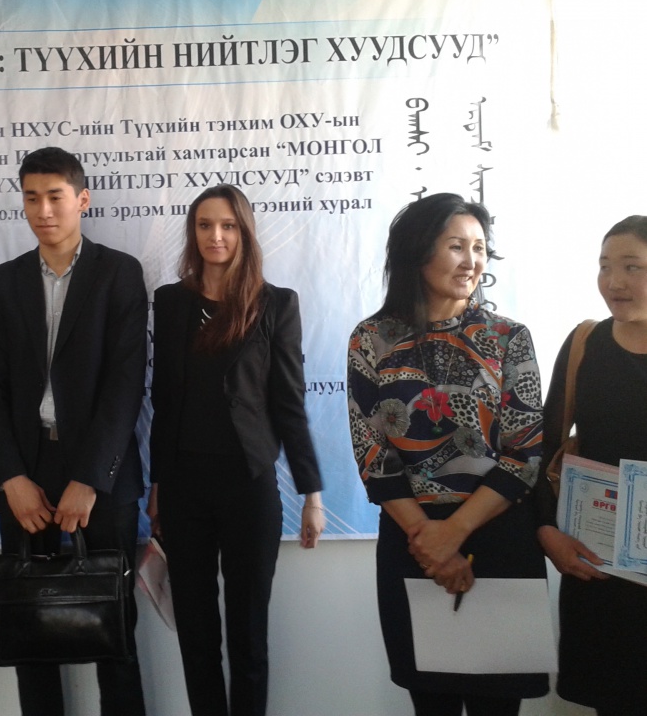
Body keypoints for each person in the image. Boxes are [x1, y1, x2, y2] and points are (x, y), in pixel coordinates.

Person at [346, 193, 547, 716]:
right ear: (418, 252)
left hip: (497, 535)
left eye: (479, 248)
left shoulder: (507, 337)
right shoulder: (372, 339)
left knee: (496, 706)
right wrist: (429, 541)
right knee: (431, 704)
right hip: (412, 541)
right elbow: (374, 455)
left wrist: (451, 535)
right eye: (456, 246)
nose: (471, 261)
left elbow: (524, 454)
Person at [0, 146, 148, 716]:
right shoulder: (5, 282)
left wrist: (90, 479)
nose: (43, 210)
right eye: (32, 198)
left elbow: (126, 384)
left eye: (55, 196)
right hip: (25, 476)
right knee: (29, 636)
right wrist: (10, 477)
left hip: (101, 477)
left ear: (82, 200)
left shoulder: (119, 273)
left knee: (114, 637)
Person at [146, 185, 324, 716]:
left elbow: (289, 403)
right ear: (193, 232)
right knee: (196, 633)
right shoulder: (170, 302)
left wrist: (311, 494)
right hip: (184, 489)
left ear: (244, 232)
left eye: (227, 226)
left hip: (249, 486)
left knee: (248, 634)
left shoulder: (275, 304)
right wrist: (157, 485)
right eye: (205, 225)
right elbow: (164, 400)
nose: (216, 236)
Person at [535, 215, 647, 714]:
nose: (614, 281)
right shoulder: (585, 343)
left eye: (632, 266)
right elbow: (544, 445)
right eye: (605, 266)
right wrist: (546, 531)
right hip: (600, 567)